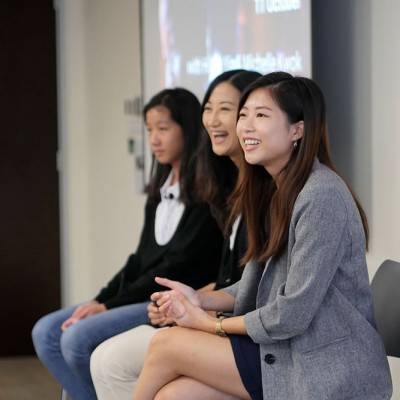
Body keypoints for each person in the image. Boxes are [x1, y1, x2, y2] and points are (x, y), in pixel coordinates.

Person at [131, 73, 393, 400]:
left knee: (165, 344)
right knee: (175, 395)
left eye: (261, 115)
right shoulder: (276, 191)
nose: (246, 126)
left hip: (323, 368)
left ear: (297, 129)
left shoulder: (321, 196)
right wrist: (200, 300)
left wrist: (210, 325)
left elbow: (290, 313)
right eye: (243, 114)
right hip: (286, 352)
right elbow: (257, 284)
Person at [31, 87, 226, 400]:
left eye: (163, 129)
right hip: (140, 295)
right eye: (149, 130)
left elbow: (172, 267)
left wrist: (108, 306)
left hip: (166, 301)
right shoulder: (160, 191)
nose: (154, 139)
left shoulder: (207, 196)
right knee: (45, 331)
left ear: (188, 130)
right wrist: (98, 300)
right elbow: (138, 261)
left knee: (75, 340)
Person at [90, 69, 262, 400]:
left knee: (111, 360)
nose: (213, 119)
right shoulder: (238, 191)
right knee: (104, 356)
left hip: (248, 338)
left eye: (227, 109)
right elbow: (236, 281)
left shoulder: (277, 193)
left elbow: (264, 294)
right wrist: (187, 303)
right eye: (208, 108)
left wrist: (203, 314)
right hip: (227, 324)